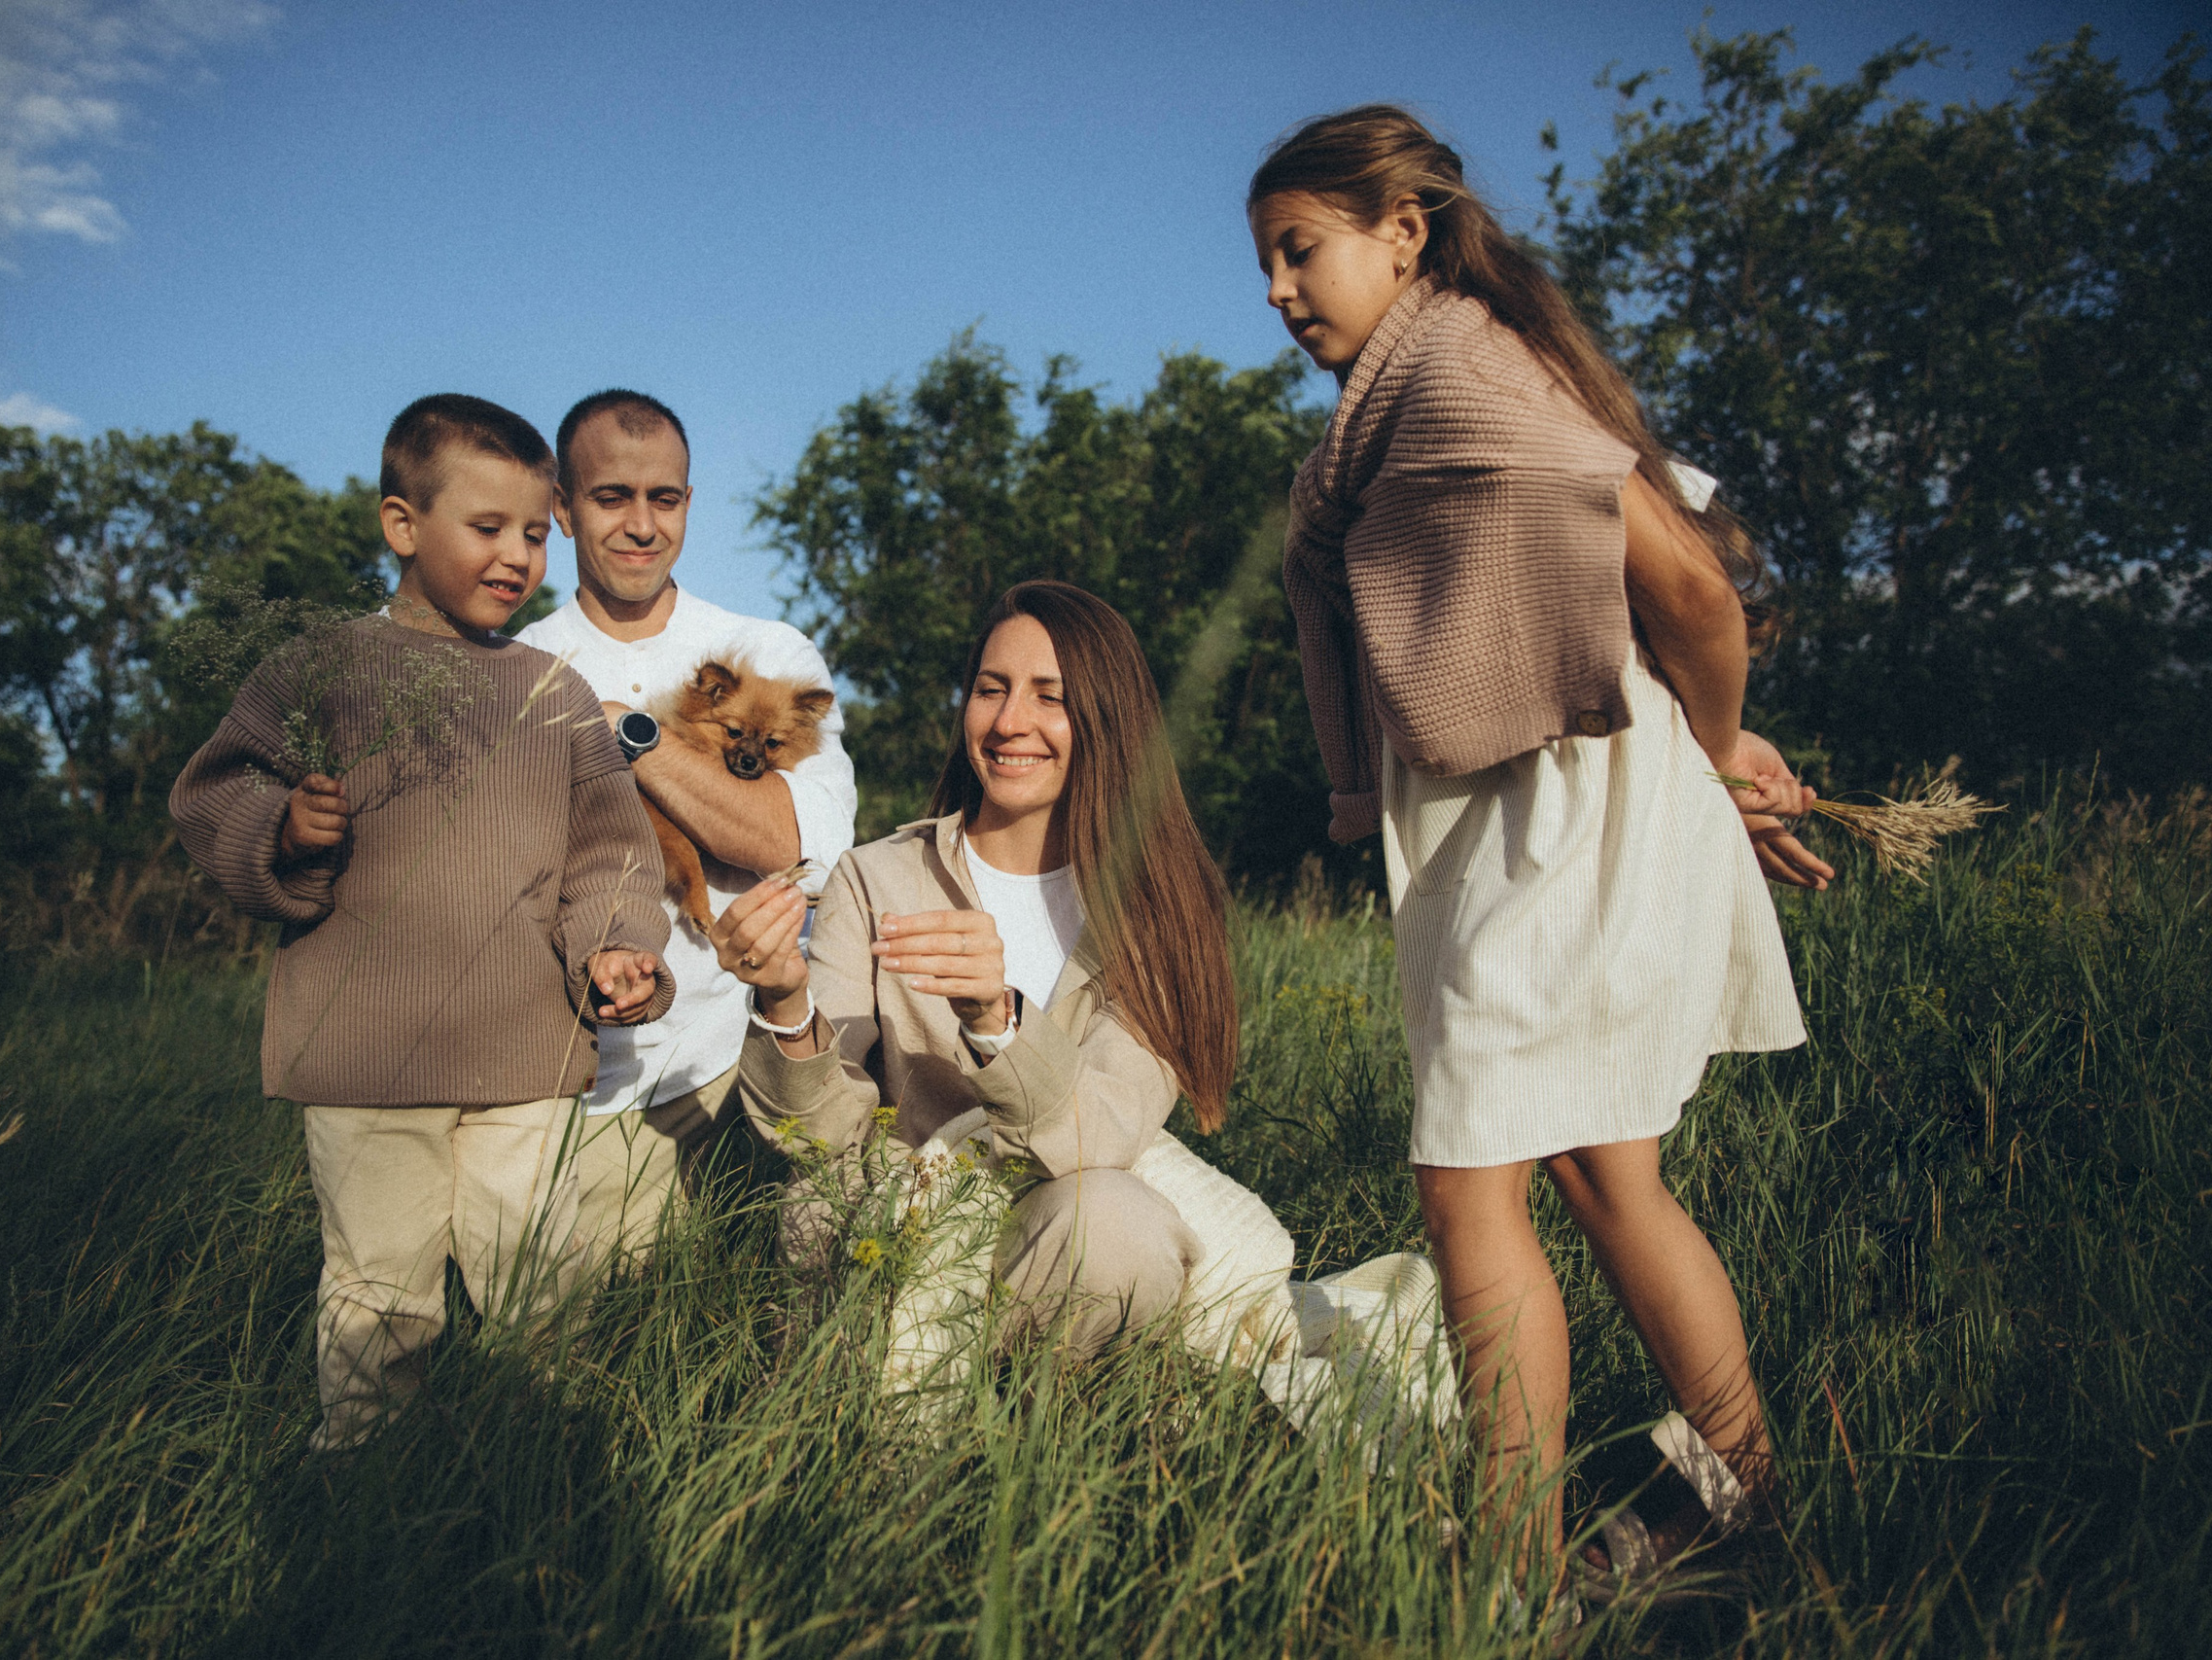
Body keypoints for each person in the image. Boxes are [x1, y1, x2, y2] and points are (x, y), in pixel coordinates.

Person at [1247, 106, 1833, 1592]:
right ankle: (1741, 1488)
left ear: (1404, 232)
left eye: (1298, 249)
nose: (1275, 289)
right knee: (1598, 1168)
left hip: (1564, 813)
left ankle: (1510, 1572)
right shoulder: (1389, 405)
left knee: (1471, 1183)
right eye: (1261, 262)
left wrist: (1710, 756)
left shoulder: (1460, 374)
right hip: (1500, 815)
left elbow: (1693, 590)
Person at [170, 393, 673, 1452]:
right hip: (363, 1059)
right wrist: (285, 828)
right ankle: (360, 1479)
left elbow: (610, 848)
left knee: (538, 1281)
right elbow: (210, 793)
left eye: (535, 533)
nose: (516, 556)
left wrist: (620, 946)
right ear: (402, 524)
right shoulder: (323, 671)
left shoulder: (555, 695)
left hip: (526, 1052)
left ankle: (542, 1468)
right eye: (485, 528)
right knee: (379, 1291)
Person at [708, 581, 1249, 1359]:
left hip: (1053, 1244)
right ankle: (883, 1431)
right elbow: (816, 1136)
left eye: (1049, 696)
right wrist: (785, 1001)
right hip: (895, 1226)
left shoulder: (1158, 907)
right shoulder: (874, 876)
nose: (1008, 722)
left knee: (1117, 1223)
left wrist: (999, 1022)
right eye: (990, 690)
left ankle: (1048, 1435)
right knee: (820, 1208)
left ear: (1108, 716)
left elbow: (1105, 1132)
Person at [513, 390, 857, 1286]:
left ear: (690, 503)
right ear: (561, 506)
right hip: (583, 1078)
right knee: (561, 1340)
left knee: (787, 1308)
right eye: (610, 497)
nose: (640, 524)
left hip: (746, 1057)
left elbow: (787, 837)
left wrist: (631, 734)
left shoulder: (765, 650)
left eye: (663, 499)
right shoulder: (515, 668)